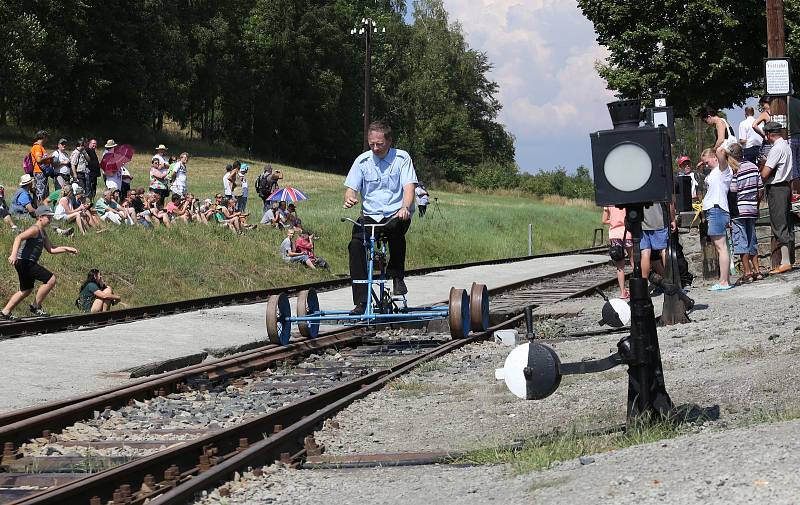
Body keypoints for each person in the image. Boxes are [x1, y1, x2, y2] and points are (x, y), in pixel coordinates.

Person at [343, 120, 418, 314]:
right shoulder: (362, 161)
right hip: (370, 215)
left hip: (395, 212)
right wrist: (350, 198)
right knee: (356, 245)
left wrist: (405, 207)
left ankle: (397, 277)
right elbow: (351, 189)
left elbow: (409, 187)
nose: (375, 148)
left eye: (379, 144)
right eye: (372, 144)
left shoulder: (402, 158)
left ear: (389, 141)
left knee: (395, 230)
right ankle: (361, 301)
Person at [0, 206, 78, 320]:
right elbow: (18, 237)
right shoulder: (35, 229)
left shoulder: (43, 232)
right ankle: (35, 306)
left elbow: (51, 249)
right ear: (40, 217)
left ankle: (5, 312)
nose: (50, 220)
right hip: (24, 261)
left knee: (26, 289)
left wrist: (66, 248)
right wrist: (13, 255)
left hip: (25, 262)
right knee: (51, 279)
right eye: (48, 217)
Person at [761, 121, 795, 274]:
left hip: (777, 188)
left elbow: (765, 174)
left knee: (779, 223)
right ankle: (788, 260)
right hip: (786, 186)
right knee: (786, 222)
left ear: (769, 134)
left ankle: (786, 261)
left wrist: (762, 164)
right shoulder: (786, 146)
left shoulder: (776, 149)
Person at [727, 143, 762, 283]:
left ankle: (747, 272)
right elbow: (760, 188)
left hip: (739, 210)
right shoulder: (753, 167)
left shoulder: (735, 170)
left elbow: (733, 190)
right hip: (752, 208)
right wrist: (756, 204)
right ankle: (758, 271)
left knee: (741, 241)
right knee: (752, 239)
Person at [700, 146, 734, 290]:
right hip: (713, 210)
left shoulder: (723, 170)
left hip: (717, 209)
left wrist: (717, 146)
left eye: (707, 162)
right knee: (720, 247)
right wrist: (704, 163)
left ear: (715, 158)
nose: (706, 165)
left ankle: (724, 281)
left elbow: (721, 153)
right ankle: (724, 279)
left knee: (721, 247)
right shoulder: (714, 173)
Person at [602, 206, 633, 299]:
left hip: (614, 235)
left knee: (620, 266)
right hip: (627, 233)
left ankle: (623, 292)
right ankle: (636, 289)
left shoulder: (608, 203)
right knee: (633, 262)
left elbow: (604, 220)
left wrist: (612, 221)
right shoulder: (627, 200)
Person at [30, 130, 54, 204]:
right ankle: (39, 210)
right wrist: (49, 157)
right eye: (46, 137)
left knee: (44, 192)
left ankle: (42, 210)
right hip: (39, 172)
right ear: (43, 137)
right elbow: (39, 160)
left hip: (42, 172)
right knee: (40, 193)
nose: (47, 139)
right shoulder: (37, 147)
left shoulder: (41, 147)